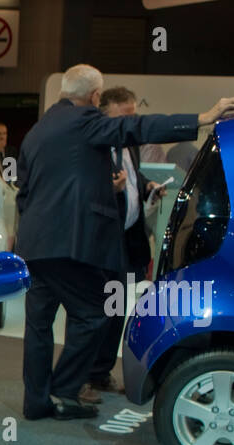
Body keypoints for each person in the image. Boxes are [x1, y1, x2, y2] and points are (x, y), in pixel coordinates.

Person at [15, 64, 234, 420]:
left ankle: (37, 401)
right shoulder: (84, 121)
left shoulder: (38, 129)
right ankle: (63, 392)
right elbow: (136, 127)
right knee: (93, 313)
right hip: (69, 246)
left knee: (39, 326)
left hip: (35, 246)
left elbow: (24, 194)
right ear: (94, 98)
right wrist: (202, 117)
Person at [82, 86, 167, 403]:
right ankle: (82, 377)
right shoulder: (94, 147)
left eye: (134, 116)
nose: (131, 124)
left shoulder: (128, 146)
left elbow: (134, 178)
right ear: (106, 114)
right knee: (95, 312)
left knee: (116, 310)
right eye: (125, 117)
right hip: (101, 243)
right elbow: (85, 192)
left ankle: (101, 372)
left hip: (128, 242)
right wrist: (109, 189)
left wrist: (149, 187)